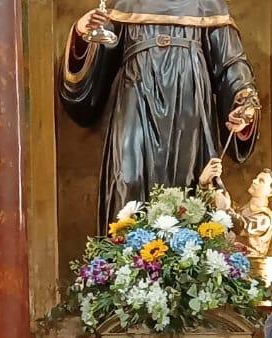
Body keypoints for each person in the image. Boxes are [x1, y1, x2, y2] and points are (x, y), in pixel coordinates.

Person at [61, 0, 260, 229]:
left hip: (188, 100)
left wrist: (243, 100)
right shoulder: (123, 3)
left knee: (188, 180)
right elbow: (102, 49)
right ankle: (125, 249)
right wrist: (82, 33)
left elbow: (231, 62)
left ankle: (191, 249)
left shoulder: (207, 4)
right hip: (136, 95)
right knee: (127, 177)